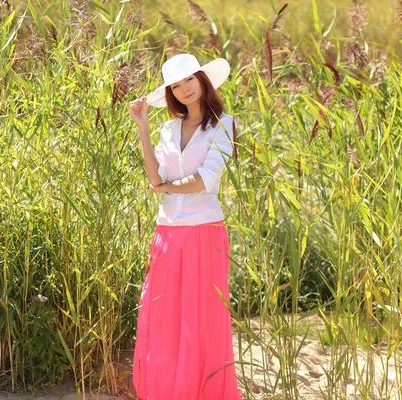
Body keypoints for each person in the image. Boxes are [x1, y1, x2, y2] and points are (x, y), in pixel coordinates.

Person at [128, 53, 243, 400]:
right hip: (166, 231)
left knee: (200, 317)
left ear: (202, 80)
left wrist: (164, 188)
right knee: (161, 312)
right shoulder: (168, 128)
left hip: (204, 231)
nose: (183, 89)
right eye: (175, 86)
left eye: (188, 80)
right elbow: (155, 176)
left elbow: (206, 180)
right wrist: (143, 127)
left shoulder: (225, 124)